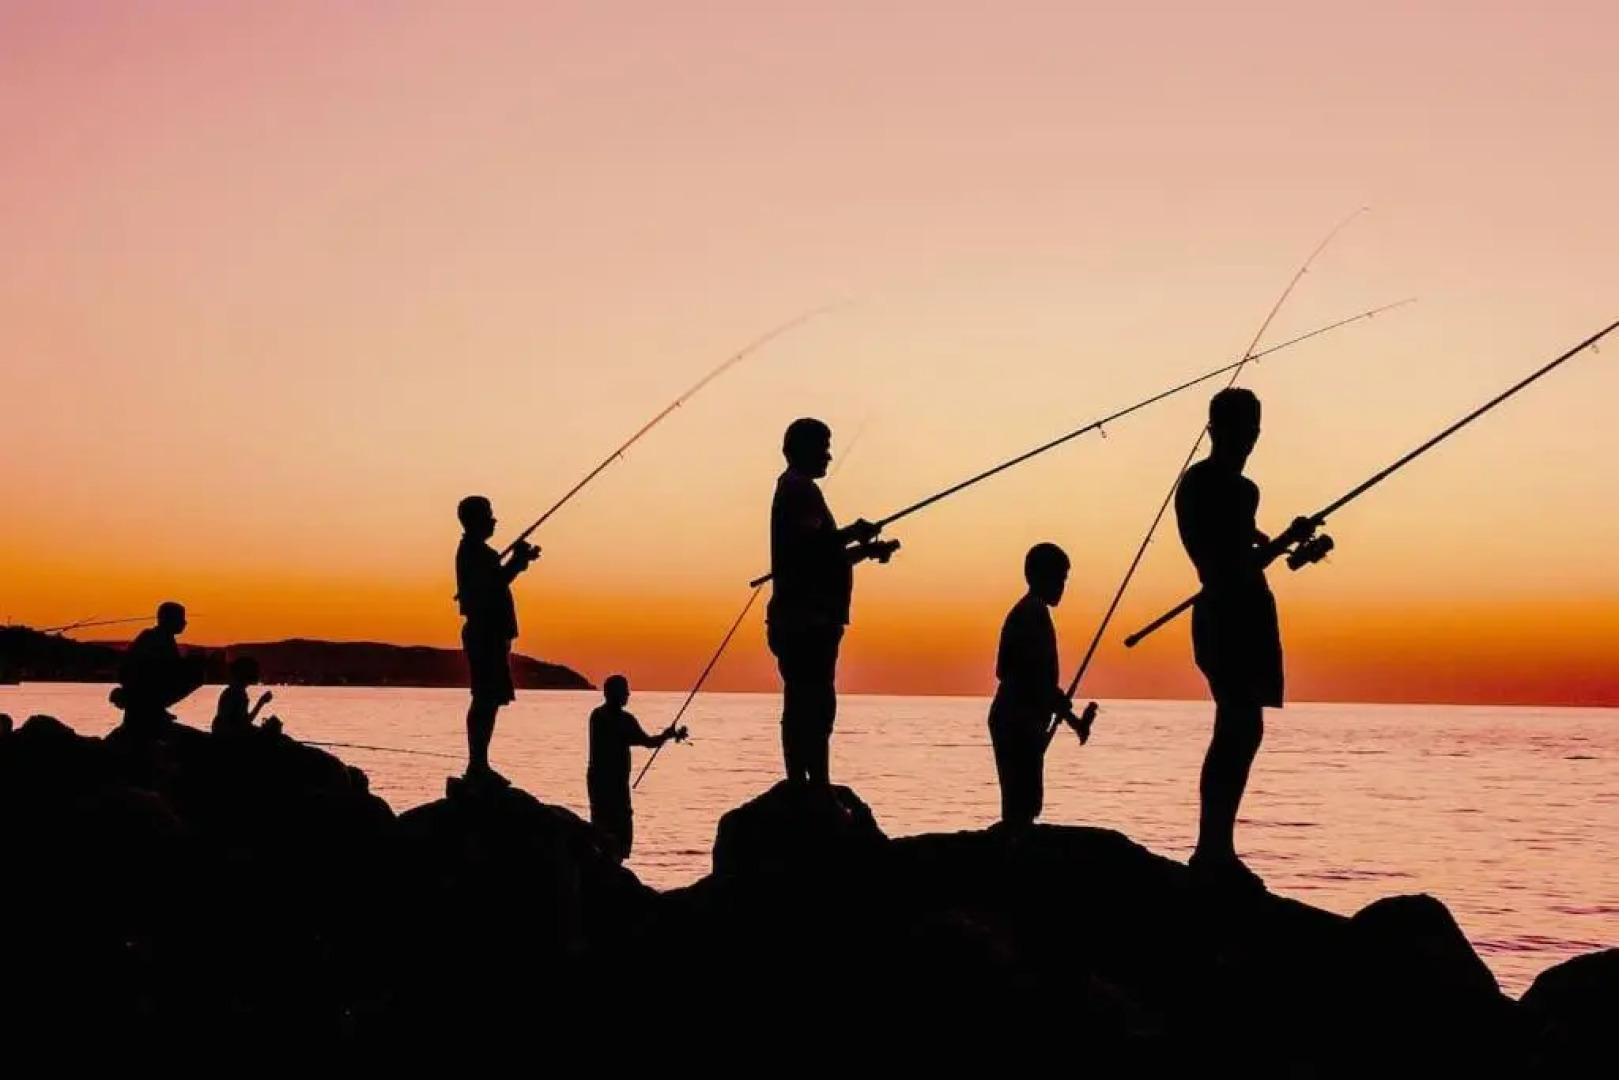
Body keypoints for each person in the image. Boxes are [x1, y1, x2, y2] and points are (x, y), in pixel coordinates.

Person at [1173, 388, 1317, 888]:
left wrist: (1281, 539)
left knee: (1242, 727)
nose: (1251, 439)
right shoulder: (1227, 488)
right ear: (1215, 429)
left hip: (1238, 610)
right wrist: (1277, 544)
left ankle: (1217, 846)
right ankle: (1213, 850)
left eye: (1255, 428)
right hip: (1231, 611)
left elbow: (1241, 541)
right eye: (1242, 428)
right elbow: (1230, 561)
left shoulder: (1209, 486)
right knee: (1236, 727)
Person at [765, 417, 899, 787]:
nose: (828, 455)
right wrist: (853, 532)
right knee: (813, 704)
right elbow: (813, 548)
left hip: (803, 619)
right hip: (807, 621)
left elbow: (818, 558)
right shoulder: (799, 490)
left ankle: (807, 782)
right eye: (822, 447)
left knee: (806, 702)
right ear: (801, 449)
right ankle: (812, 785)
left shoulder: (795, 489)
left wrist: (866, 550)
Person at [987, 543, 1095, 828]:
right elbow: (1030, 678)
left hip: (1017, 718)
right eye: (1059, 578)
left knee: (1022, 803)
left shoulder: (1029, 611)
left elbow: (1011, 672)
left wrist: (1068, 716)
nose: (1062, 586)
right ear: (1039, 576)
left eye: (1064, 580)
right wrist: (1067, 714)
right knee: (1022, 806)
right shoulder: (1031, 614)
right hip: (1017, 720)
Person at [454, 495, 541, 786]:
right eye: (490, 515)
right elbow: (494, 584)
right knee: (485, 699)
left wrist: (520, 561)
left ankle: (480, 764)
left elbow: (496, 580)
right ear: (476, 520)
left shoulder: (476, 553)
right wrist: (518, 561)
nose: (494, 520)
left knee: (488, 700)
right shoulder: (475, 553)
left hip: (489, 634)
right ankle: (478, 765)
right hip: (485, 634)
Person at [586, 675, 685, 862]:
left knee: (601, 825)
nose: (628, 694)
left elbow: (641, 740)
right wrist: (667, 735)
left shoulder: (596, 716)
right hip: (614, 784)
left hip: (597, 781)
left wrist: (666, 736)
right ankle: (612, 869)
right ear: (614, 693)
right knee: (619, 829)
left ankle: (604, 865)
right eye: (625, 690)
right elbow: (648, 742)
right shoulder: (622, 720)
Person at [113, 601, 206, 737]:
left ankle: (156, 710)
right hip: (143, 693)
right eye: (181, 619)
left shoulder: (158, 637)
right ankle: (153, 710)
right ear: (169, 620)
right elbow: (166, 669)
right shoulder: (156, 638)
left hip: (144, 694)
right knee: (196, 670)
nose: (184, 623)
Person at [212, 655, 282, 737]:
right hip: (228, 736)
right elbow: (243, 724)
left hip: (221, 732)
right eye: (255, 671)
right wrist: (261, 703)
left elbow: (242, 723)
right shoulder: (238, 694)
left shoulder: (232, 691)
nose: (258, 673)